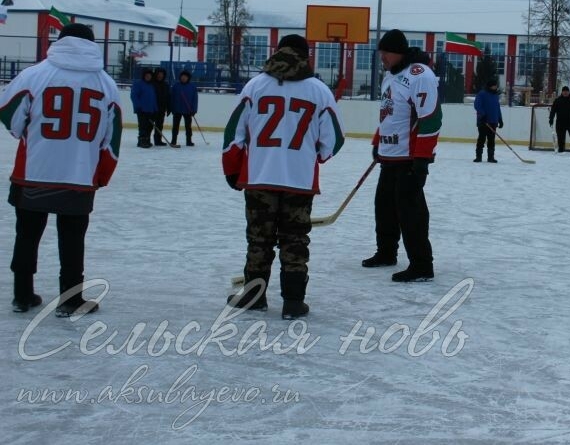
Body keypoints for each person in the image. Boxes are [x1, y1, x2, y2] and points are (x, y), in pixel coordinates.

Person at [0, 23, 121, 316]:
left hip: (33, 172)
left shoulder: (34, 74)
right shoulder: (105, 83)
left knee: (27, 234)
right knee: (72, 238)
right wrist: (101, 175)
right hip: (79, 175)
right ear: (92, 45)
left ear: (60, 41)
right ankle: (70, 299)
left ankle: (22, 294)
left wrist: (24, 133)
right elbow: (112, 139)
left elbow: (7, 112)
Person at [223, 34, 343, 319]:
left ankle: (254, 297)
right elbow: (334, 139)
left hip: (260, 177)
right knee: (295, 240)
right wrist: (313, 157)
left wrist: (232, 169)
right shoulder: (318, 90)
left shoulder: (255, 85)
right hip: (299, 181)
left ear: (277, 53)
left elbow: (233, 134)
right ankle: (293, 302)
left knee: (259, 239)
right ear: (305, 56)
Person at [363, 29, 442, 282]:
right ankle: (386, 252)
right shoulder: (390, 77)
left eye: (386, 52)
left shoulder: (420, 75)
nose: (382, 57)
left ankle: (422, 265)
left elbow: (431, 119)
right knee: (384, 206)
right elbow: (389, 115)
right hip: (390, 156)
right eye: (381, 52)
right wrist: (378, 142)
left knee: (411, 210)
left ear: (398, 52)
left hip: (409, 158)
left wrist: (422, 159)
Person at [473, 78, 503, 163]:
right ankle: (478, 157)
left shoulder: (495, 96)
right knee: (481, 138)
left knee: (491, 140)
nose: (496, 87)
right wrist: (483, 115)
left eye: (496, 85)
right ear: (490, 86)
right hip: (483, 121)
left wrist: (500, 119)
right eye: (494, 85)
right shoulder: (482, 94)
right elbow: (477, 105)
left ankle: (491, 157)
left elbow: (497, 108)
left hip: (493, 121)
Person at [549, 86, 570, 154]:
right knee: (560, 138)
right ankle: (561, 149)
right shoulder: (557, 100)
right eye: (564, 91)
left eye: (566, 91)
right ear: (562, 92)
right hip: (560, 123)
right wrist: (551, 119)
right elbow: (553, 111)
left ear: (569, 92)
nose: (565, 92)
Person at [130, 68, 158, 148]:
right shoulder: (138, 84)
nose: (148, 77)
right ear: (144, 76)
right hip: (142, 110)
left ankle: (147, 140)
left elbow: (153, 98)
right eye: (147, 75)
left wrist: (155, 109)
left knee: (149, 126)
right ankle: (142, 141)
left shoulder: (151, 86)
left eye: (150, 76)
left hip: (151, 110)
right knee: (143, 126)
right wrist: (138, 106)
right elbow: (134, 96)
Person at [170, 70, 198, 146]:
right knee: (175, 126)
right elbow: (171, 98)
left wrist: (194, 110)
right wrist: (172, 108)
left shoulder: (192, 87)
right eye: (182, 76)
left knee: (188, 127)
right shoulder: (176, 86)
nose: (183, 78)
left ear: (188, 78)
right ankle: (173, 140)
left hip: (188, 110)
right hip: (177, 109)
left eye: (185, 77)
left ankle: (189, 141)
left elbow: (195, 99)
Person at [151, 67, 171, 146]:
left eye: (162, 74)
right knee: (149, 126)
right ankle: (146, 140)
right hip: (152, 109)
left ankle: (158, 140)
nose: (160, 76)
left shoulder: (166, 85)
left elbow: (168, 97)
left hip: (162, 109)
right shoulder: (151, 84)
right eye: (159, 74)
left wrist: (169, 108)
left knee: (159, 125)